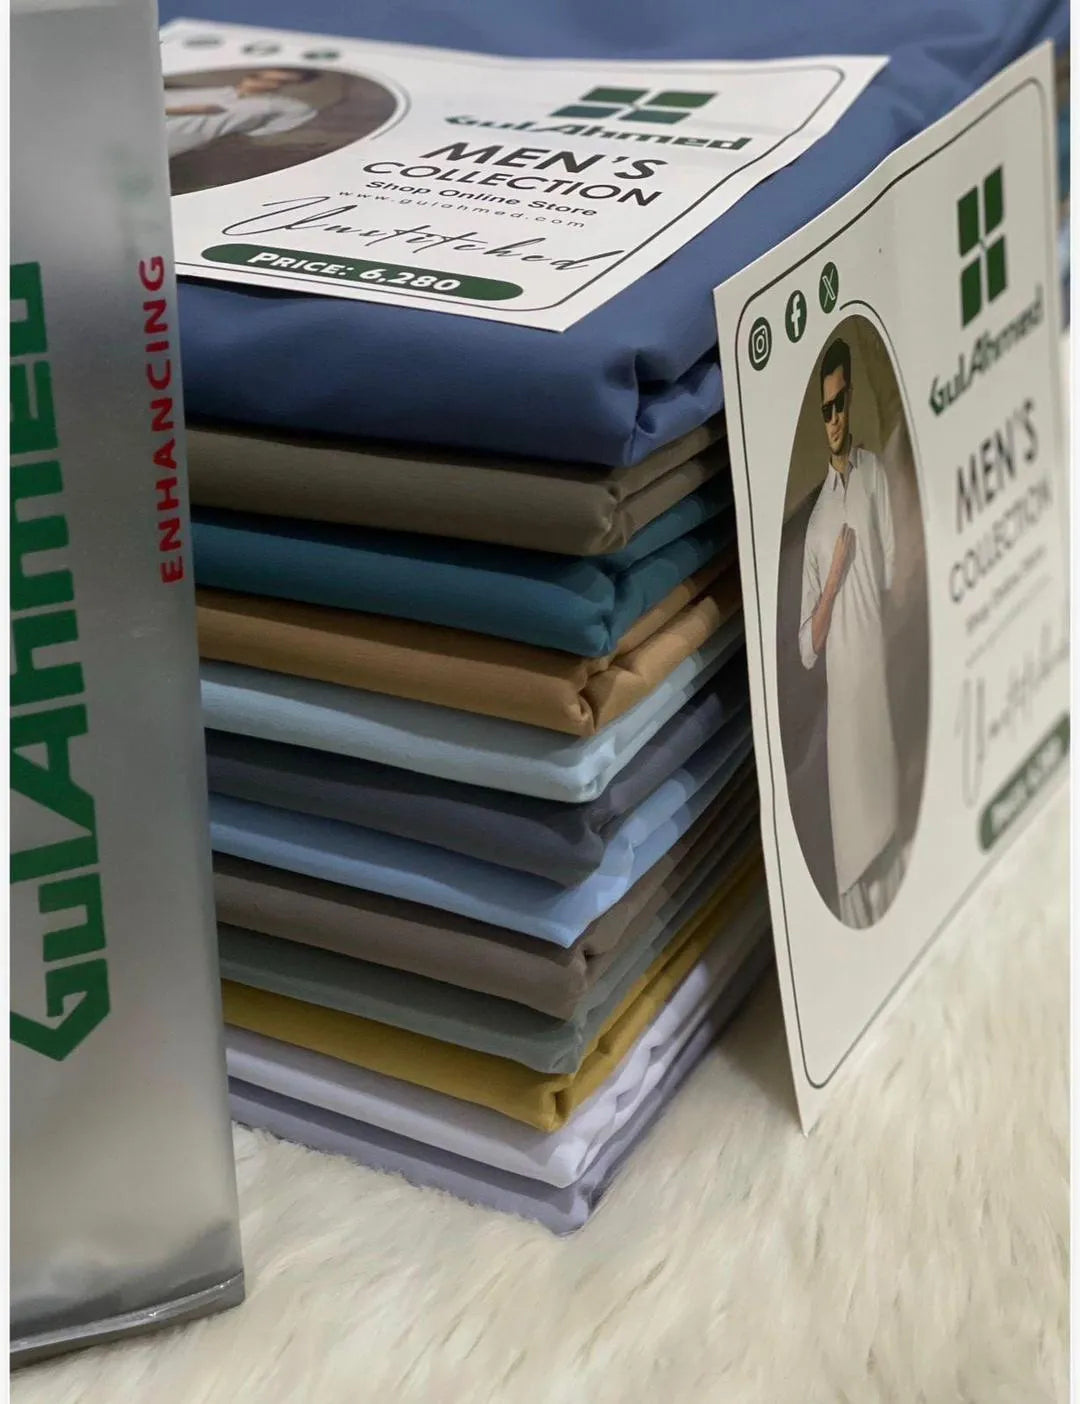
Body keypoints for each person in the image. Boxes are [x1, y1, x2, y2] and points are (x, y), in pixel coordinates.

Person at [798, 337, 905, 928]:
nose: (834, 418)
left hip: (876, 680)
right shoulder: (816, 523)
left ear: (852, 399)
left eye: (840, 404)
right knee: (853, 845)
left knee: (888, 814)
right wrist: (835, 578)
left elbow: (891, 571)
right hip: (841, 700)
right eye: (826, 409)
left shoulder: (874, 476)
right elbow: (806, 648)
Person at [165, 69, 320, 159]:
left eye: (280, 81)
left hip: (183, 149)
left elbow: (271, 134)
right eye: (257, 76)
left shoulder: (284, 106)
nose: (265, 83)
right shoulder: (210, 92)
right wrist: (182, 110)